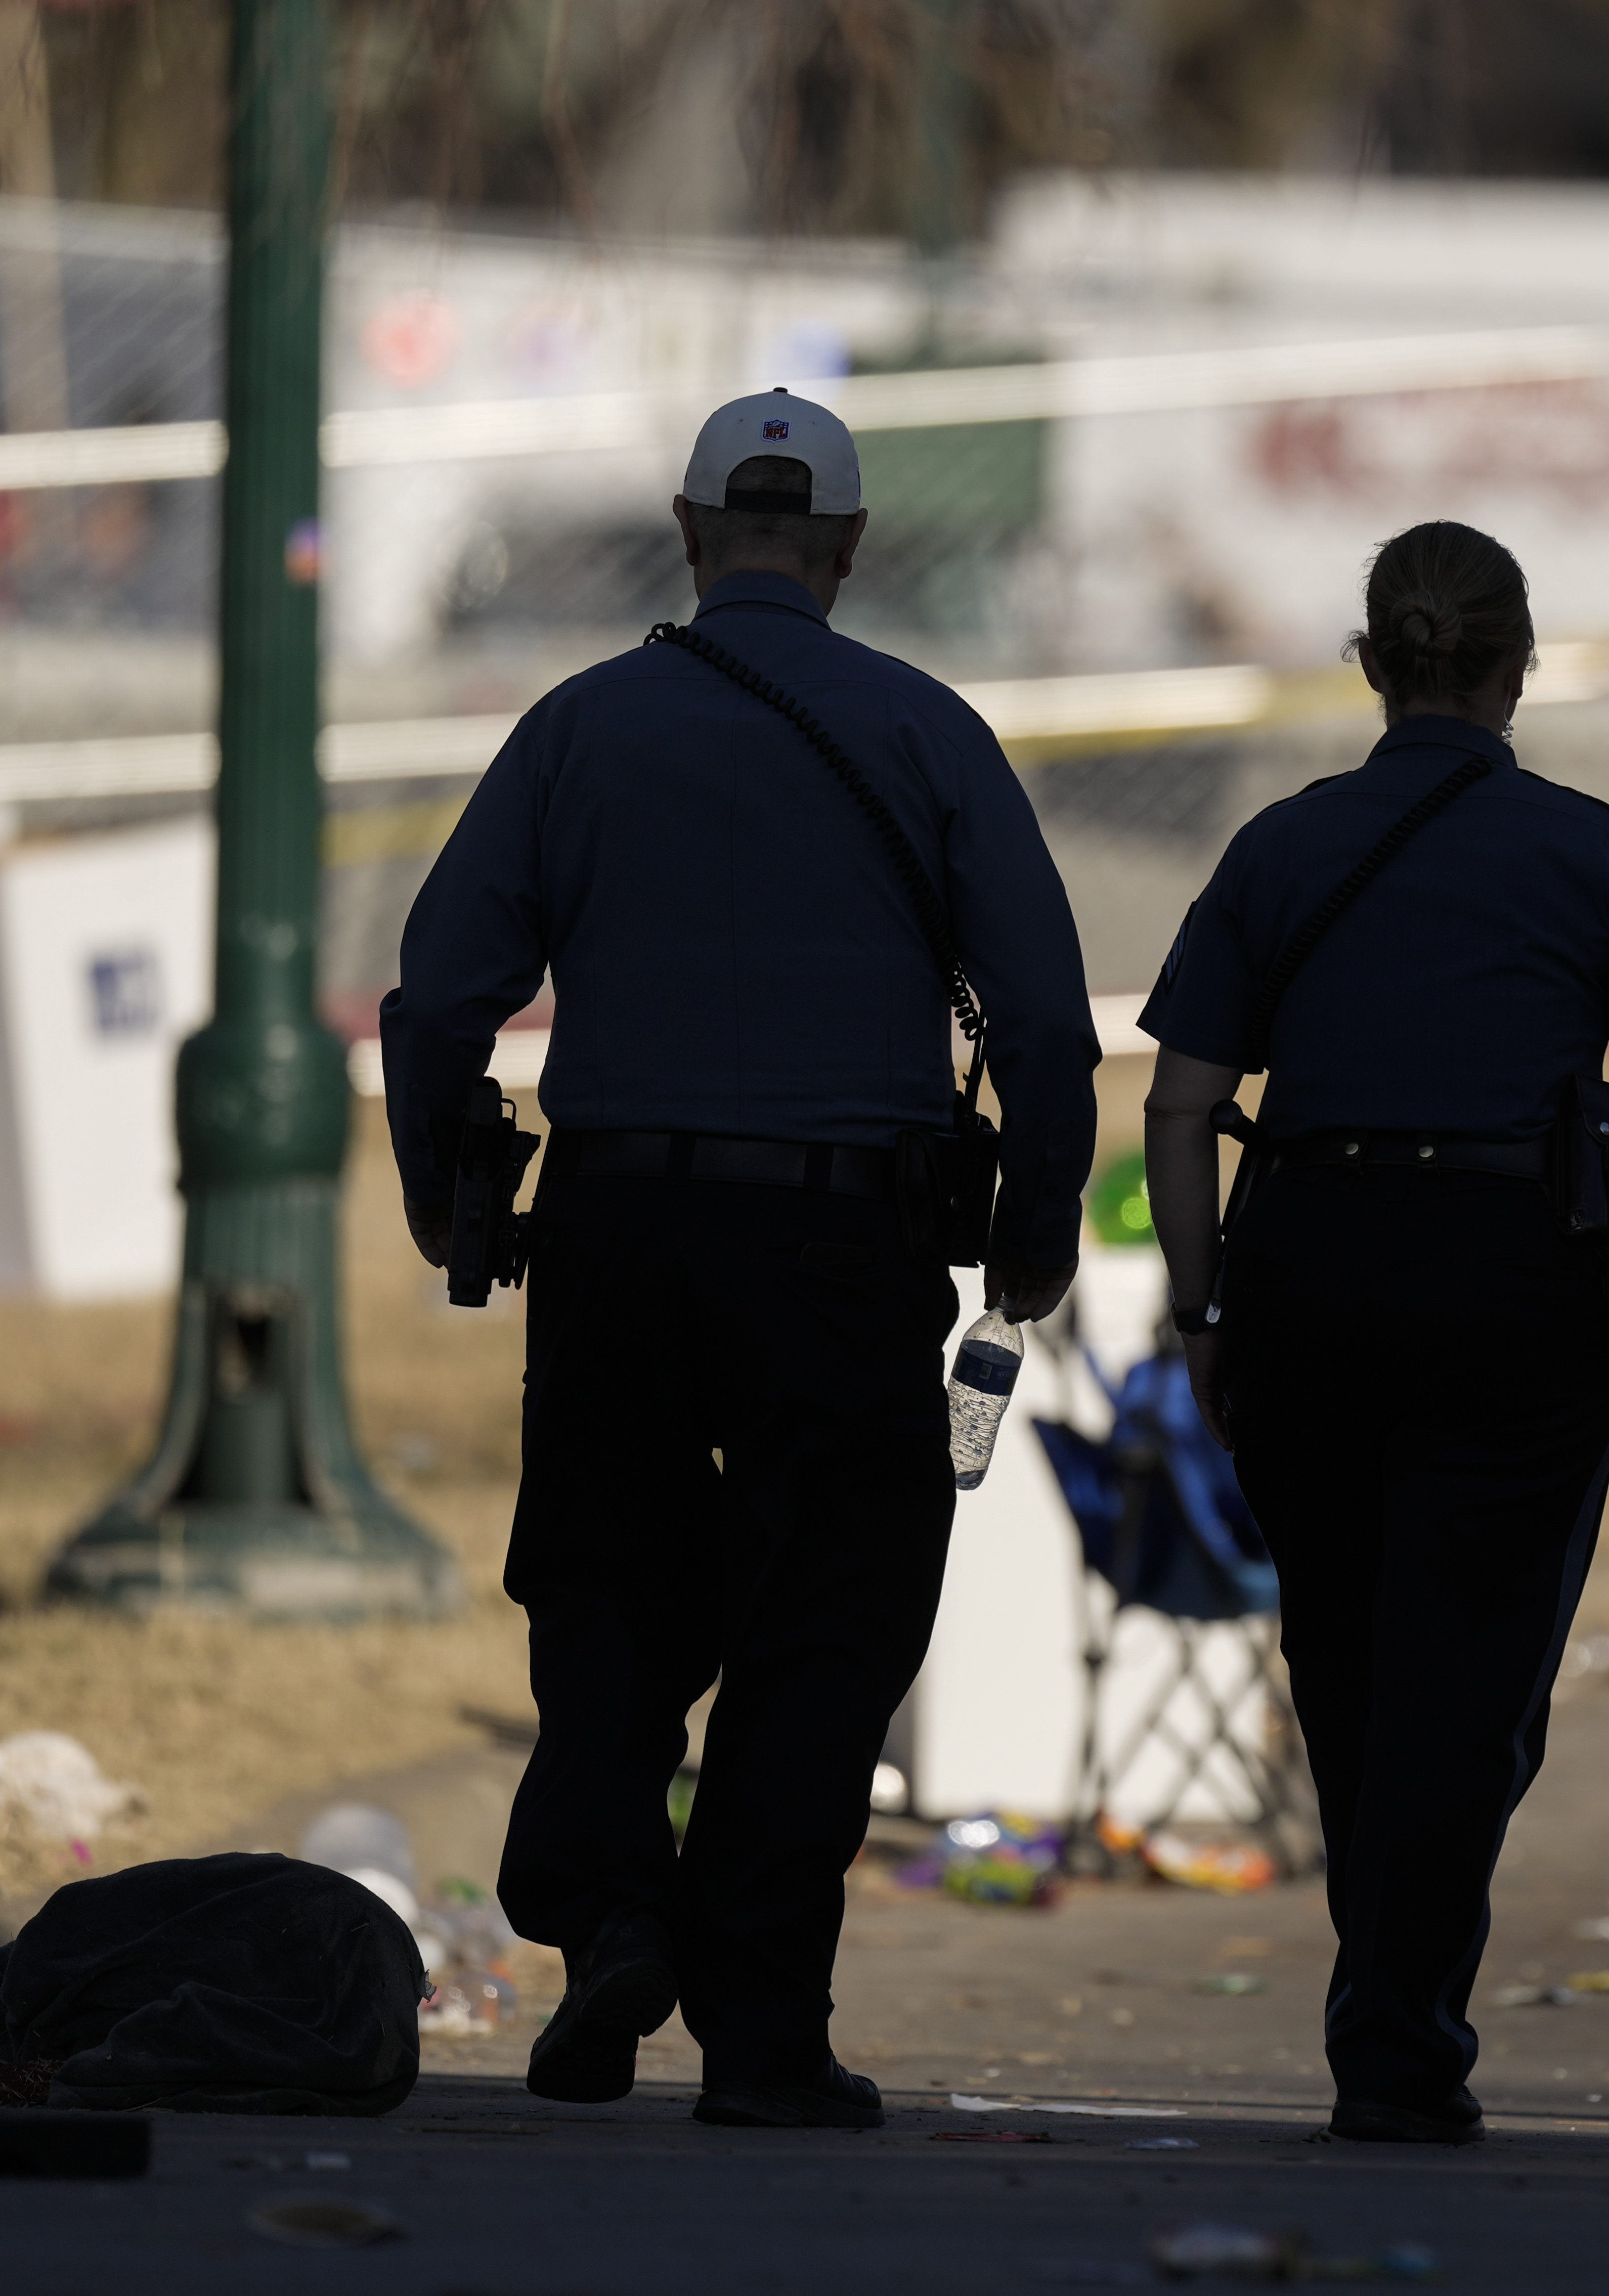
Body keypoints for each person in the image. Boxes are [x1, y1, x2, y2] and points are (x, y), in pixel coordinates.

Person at [378, 391, 1098, 2130]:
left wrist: (437, 1193)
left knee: (609, 1585)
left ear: (690, 532)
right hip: (844, 1243)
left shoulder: (576, 730)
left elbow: (434, 1002)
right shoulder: (930, 735)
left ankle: (618, 1915)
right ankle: (763, 2025)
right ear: (847, 547)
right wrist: (1035, 1230)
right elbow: (1053, 1035)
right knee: (827, 1616)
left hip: (619, 1234)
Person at [1136, 518, 1609, 2147]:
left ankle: (1391, 1995)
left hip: (1306, 1269)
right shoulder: (1592, 852)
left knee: (1348, 1654)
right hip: (1514, 1281)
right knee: (1474, 1674)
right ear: (1516, 667)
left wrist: (1202, 1302)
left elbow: (1180, 1099)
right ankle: (1396, 2026)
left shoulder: (1279, 849)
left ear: (1372, 663)